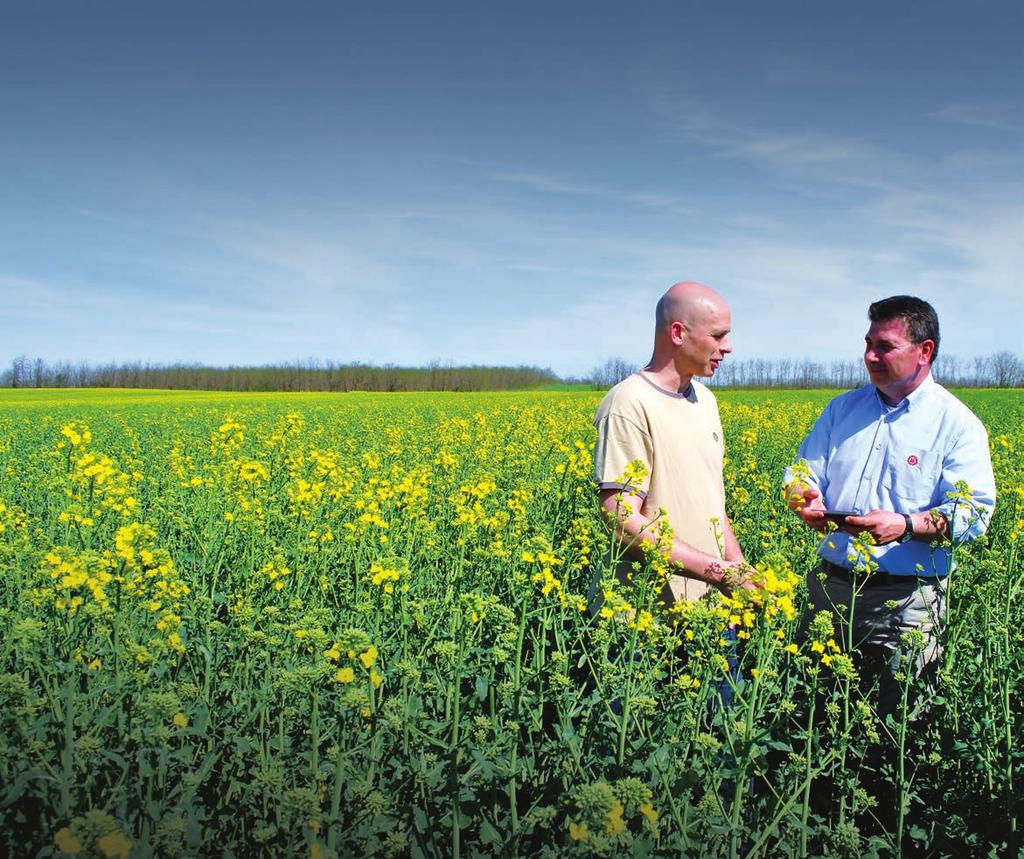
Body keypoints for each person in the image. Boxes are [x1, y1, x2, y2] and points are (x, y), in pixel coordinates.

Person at [783, 295, 996, 715]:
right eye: (867, 344)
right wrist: (802, 495)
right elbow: (802, 471)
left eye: (885, 346)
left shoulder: (957, 424)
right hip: (830, 590)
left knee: (896, 726)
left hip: (906, 605)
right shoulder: (842, 409)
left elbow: (973, 514)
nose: (870, 356)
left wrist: (905, 524)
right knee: (810, 715)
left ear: (925, 351)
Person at [592, 280, 753, 608]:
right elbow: (620, 519)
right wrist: (718, 573)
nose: (729, 347)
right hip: (644, 618)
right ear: (678, 333)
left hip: (710, 606)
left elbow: (711, 503)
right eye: (718, 335)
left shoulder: (706, 401)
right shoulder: (628, 402)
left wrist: (738, 570)